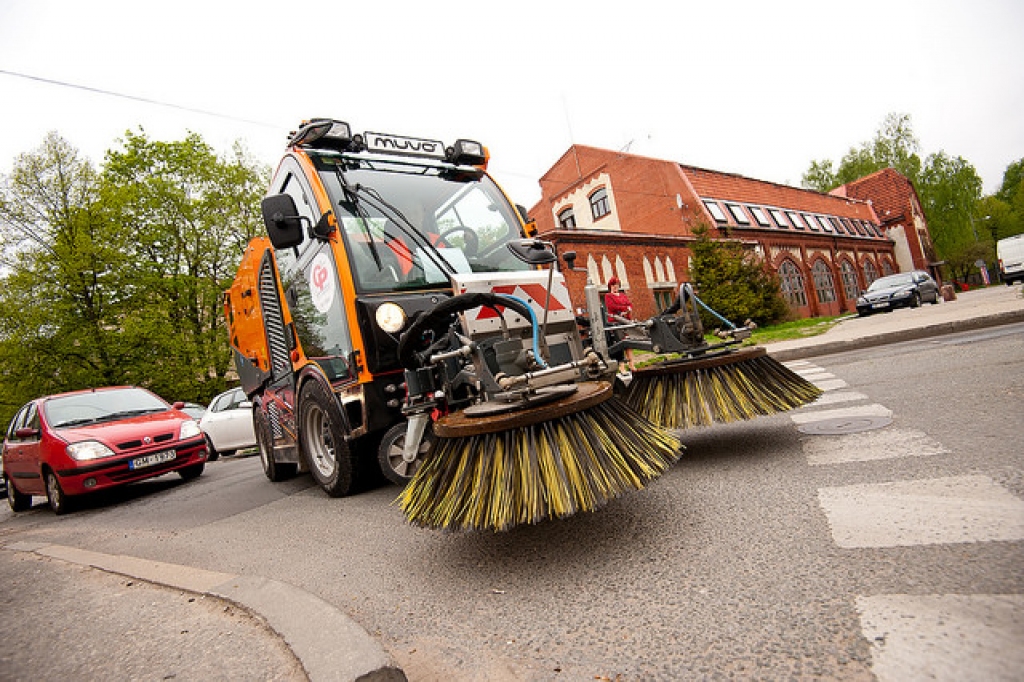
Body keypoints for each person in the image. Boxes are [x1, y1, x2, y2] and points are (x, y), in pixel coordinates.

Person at [604, 277, 636, 371]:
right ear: (610, 286)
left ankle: (631, 364)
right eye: (613, 285)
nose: (615, 287)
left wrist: (627, 309)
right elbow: (612, 306)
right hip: (616, 322)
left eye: (617, 285)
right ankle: (622, 367)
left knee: (629, 343)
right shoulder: (608, 296)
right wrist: (624, 309)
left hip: (626, 321)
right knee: (620, 343)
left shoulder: (622, 295)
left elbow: (629, 304)